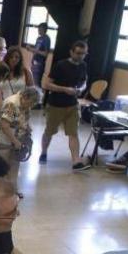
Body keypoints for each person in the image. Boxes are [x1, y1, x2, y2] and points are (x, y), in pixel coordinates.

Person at [41, 40, 91, 171]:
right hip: (56, 105)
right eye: (78, 53)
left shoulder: (83, 65)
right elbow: (47, 85)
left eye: (84, 53)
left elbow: (84, 81)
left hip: (72, 105)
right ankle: (43, 152)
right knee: (49, 132)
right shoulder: (60, 65)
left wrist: (81, 88)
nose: (81, 56)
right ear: (71, 52)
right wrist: (64, 89)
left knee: (73, 133)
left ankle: (76, 161)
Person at [0, 86, 39, 189]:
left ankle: (12, 189)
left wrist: (27, 128)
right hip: (4, 138)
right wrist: (15, 141)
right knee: (2, 165)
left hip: (18, 136)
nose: (31, 106)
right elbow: (5, 126)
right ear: (24, 96)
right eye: (30, 103)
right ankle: (0, 191)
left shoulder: (25, 103)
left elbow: (23, 118)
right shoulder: (12, 104)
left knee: (15, 164)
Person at [27, 22, 52, 90]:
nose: (38, 30)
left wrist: (33, 49)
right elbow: (36, 50)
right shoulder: (39, 38)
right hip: (34, 62)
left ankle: (39, 98)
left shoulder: (46, 39)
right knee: (33, 81)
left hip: (39, 63)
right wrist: (30, 49)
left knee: (36, 82)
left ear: (44, 29)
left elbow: (45, 54)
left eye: (39, 29)